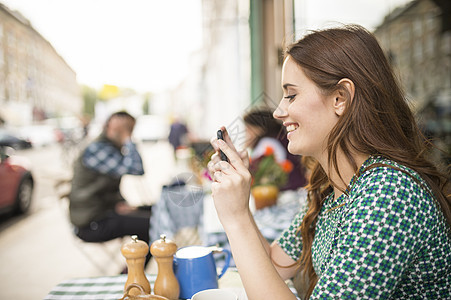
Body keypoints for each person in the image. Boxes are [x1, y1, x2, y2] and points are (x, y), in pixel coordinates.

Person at [208, 25, 450, 299]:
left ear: (340, 98)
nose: (278, 111)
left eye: (291, 95)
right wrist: (239, 205)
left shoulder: (389, 193)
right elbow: (274, 264)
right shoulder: (333, 188)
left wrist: (237, 219)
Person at [69, 111, 152, 265]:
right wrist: (127, 138)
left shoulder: (110, 147)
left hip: (104, 212)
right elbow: (136, 169)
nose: (126, 132)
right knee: (151, 224)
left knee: (154, 210)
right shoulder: (97, 148)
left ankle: (133, 273)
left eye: (130, 128)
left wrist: (120, 203)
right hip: (90, 223)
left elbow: (108, 186)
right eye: (123, 128)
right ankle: (131, 275)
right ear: (109, 126)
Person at [243, 108, 307, 191]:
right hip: (298, 188)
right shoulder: (280, 138)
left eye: (248, 129)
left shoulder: (267, 143)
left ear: (259, 129)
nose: (245, 134)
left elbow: (254, 171)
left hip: (287, 192)